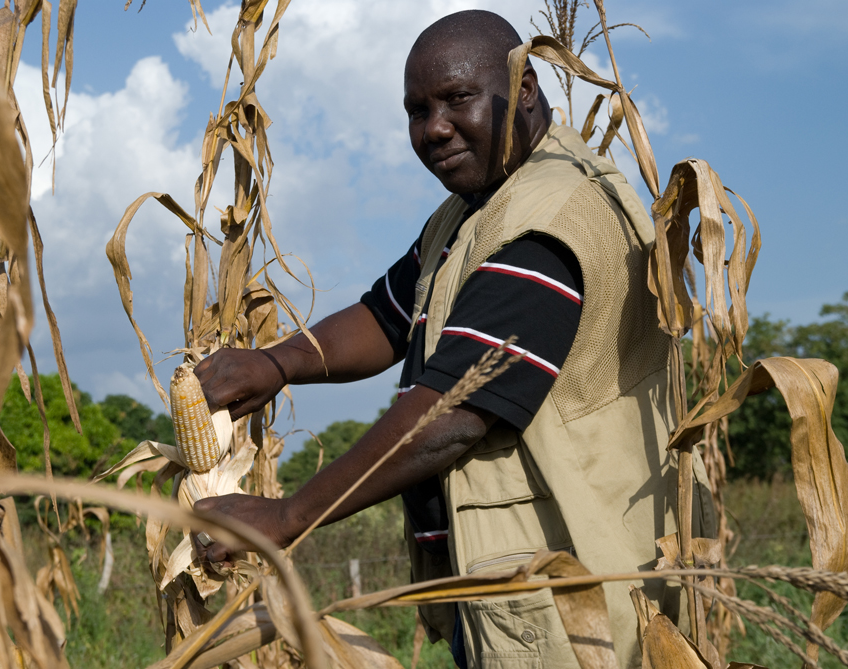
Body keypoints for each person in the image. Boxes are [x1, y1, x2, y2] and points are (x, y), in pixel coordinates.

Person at [193, 9, 714, 668]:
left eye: (457, 99)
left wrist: (287, 517)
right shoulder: (476, 210)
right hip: (505, 586)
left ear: (524, 88)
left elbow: (451, 416)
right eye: (417, 110)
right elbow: (386, 315)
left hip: (566, 596)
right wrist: (277, 363)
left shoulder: (548, 224)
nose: (434, 128)